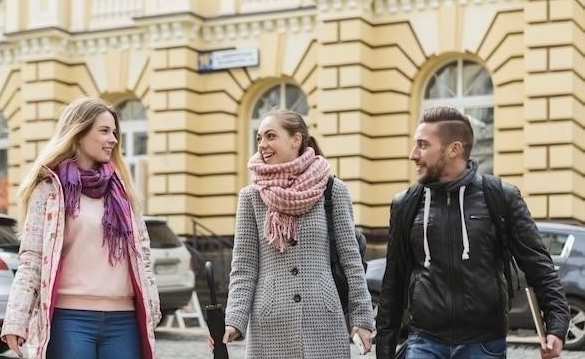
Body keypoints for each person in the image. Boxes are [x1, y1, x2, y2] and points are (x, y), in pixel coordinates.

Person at [375, 107, 570, 359]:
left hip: (484, 344)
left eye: (423, 145)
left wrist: (556, 326)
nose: (413, 155)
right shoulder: (406, 204)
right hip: (424, 341)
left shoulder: (501, 197)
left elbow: (539, 265)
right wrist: (384, 350)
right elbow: (393, 281)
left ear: (454, 149)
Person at [1, 97, 161, 359]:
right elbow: (32, 258)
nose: (113, 139)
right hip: (69, 320)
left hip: (125, 320)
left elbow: (142, 254)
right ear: (79, 133)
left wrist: (152, 307)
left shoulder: (123, 190)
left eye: (114, 132)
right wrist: (17, 319)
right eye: (104, 131)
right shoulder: (49, 190)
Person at [209, 108, 374, 358]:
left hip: (324, 323)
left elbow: (351, 261)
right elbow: (244, 267)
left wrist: (361, 318)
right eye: (259, 138)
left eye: (271, 136)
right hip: (269, 326)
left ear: (296, 140)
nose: (263, 145)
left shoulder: (332, 190)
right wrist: (234, 321)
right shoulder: (251, 197)